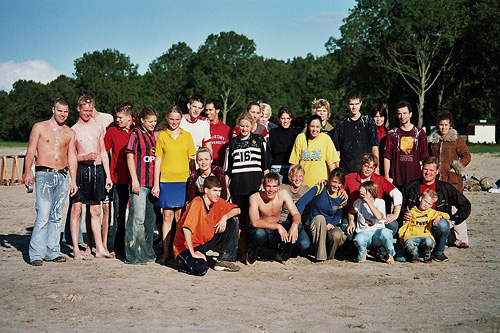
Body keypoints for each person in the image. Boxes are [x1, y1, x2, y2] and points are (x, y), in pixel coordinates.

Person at [24, 98, 78, 266]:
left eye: (66, 112)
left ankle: (52, 250)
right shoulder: (39, 127)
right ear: (53, 110)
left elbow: (72, 158)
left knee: (57, 215)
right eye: (60, 111)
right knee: (43, 214)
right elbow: (31, 150)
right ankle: (36, 254)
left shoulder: (69, 133)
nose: (63, 114)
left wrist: (73, 181)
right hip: (44, 174)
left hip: (62, 175)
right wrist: (27, 173)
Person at [400, 156, 471, 261]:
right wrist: (404, 213)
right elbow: (399, 204)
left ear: (437, 171)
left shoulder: (445, 188)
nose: (428, 172)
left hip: (435, 228)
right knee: (400, 257)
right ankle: (418, 250)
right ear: (421, 169)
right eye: (425, 169)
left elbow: (465, 205)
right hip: (415, 229)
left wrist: (453, 221)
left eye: (431, 170)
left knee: (443, 224)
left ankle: (438, 252)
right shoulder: (411, 186)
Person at [70, 95, 113, 260]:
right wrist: (84, 157)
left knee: (96, 210)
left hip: (98, 170)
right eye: (84, 110)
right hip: (81, 170)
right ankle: (75, 249)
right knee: (77, 210)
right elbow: (71, 156)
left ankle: (100, 248)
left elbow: (103, 152)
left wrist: (108, 175)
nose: (87, 114)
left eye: (90, 111)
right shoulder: (73, 130)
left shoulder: (98, 127)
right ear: (78, 109)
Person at [153, 105, 196, 265]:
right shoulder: (162, 136)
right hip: (166, 181)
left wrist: (194, 180)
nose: (174, 122)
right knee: (167, 216)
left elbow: (192, 160)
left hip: (183, 181)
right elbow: (158, 160)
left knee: (179, 217)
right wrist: (156, 183)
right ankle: (165, 253)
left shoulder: (187, 136)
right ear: (167, 118)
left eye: (177, 119)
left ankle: (178, 252)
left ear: (181, 120)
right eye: (171, 119)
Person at [173, 176, 241, 275]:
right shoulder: (197, 202)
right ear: (206, 190)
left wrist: (225, 217)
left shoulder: (217, 202)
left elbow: (237, 210)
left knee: (233, 220)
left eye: (219, 191)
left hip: (203, 243)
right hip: (186, 247)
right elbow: (186, 229)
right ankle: (184, 261)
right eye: (215, 191)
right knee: (201, 269)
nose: (218, 194)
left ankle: (225, 261)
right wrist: (193, 253)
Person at [224, 112, 269, 259]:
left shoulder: (259, 139)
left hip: (254, 186)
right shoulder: (232, 143)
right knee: (241, 222)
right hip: (238, 187)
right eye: (241, 126)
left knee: (254, 221)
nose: (244, 129)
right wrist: (227, 189)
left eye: (247, 126)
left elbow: (265, 165)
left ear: (252, 126)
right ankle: (243, 254)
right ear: (238, 125)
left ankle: (253, 252)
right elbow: (227, 170)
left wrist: (265, 183)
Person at [429, 111, 471, 248]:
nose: (443, 128)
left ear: (450, 125)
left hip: (453, 180)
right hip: (438, 181)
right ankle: (444, 238)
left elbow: (466, 156)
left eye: (446, 125)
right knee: (440, 209)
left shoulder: (457, 139)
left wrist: (456, 167)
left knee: (455, 209)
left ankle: (462, 238)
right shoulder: (433, 141)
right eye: (441, 125)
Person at [124, 106, 158, 264]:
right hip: (140, 182)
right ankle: (134, 254)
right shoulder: (135, 134)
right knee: (137, 219)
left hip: (151, 184)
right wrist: (134, 180)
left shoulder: (152, 136)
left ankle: (146, 251)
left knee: (149, 220)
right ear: (142, 120)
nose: (153, 124)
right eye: (150, 121)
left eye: (155, 121)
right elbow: (130, 157)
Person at [247, 172, 302, 266]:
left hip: (275, 232)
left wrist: (294, 225)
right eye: (268, 186)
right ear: (263, 186)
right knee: (258, 233)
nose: (271, 190)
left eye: (274, 186)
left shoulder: (283, 194)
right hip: (261, 230)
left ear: (278, 187)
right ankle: (251, 256)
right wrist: (277, 226)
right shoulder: (255, 197)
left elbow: (296, 213)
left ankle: (282, 254)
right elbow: (255, 222)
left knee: (298, 226)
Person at [343, 154, 402, 236]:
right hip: (354, 215)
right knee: (348, 230)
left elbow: (397, 193)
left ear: (374, 169)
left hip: (374, 217)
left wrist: (395, 214)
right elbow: (337, 186)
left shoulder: (379, 180)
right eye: (366, 166)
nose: (368, 169)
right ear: (361, 164)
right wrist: (342, 191)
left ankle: (379, 248)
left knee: (393, 225)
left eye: (371, 167)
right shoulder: (350, 177)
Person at [295, 168, 348, 262]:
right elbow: (302, 202)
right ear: (329, 180)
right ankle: (320, 257)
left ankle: (329, 257)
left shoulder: (342, 197)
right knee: (320, 219)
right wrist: (297, 220)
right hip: (313, 224)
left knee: (337, 234)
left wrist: (332, 224)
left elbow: (338, 215)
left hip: (328, 227)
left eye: (339, 183)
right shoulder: (320, 188)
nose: (336, 185)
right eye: (334, 182)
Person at [104, 102, 134, 258]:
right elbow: (103, 152)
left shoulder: (137, 131)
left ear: (129, 118)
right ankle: (118, 247)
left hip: (136, 181)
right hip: (118, 180)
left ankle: (135, 245)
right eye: (117, 117)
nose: (118, 120)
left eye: (121, 117)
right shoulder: (112, 131)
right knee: (119, 215)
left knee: (136, 215)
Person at [347, 181, 395, 264]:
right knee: (359, 239)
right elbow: (350, 212)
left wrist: (368, 202)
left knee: (386, 233)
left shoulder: (380, 202)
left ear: (371, 193)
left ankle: (390, 255)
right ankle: (363, 253)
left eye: (363, 193)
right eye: (360, 192)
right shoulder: (358, 202)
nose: (361, 195)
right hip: (364, 232)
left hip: (377, 233)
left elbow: (379, 217)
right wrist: (351, 222)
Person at [384, 100, 429, 188]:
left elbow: (424, 156)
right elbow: (387, 156)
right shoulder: (392, 134)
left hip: (415, 179)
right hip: (397, 179)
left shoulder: (420, 133)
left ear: (410, 114)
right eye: (399, 114)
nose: (402, 116)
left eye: (405, 113)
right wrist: (386, 176)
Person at [332, 91, 379, 174]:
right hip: (346, 170)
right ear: (347, 104)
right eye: (351, 104)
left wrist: (376, 168)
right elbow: (337, 150)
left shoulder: (369, 122)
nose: (354, 107)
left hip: (366, 170)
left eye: (356, 104)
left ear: (361, 103)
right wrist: (338, 170)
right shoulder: (341, 124)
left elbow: (374, 147)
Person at [398, 189, 450, 263]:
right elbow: (405, 226)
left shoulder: (431, 212)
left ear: (432, 205)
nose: (426, 205)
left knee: (429, 242)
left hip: (425, 235)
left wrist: (439, 216)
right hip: (412, 236)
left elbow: (447, 215)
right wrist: (401, 236)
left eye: (429, 204)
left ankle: (427, 256)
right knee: (405, 251)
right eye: (425, 201)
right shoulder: (412, 212)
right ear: (420, 198)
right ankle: (415, 256)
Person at [289, 115, 339, 187]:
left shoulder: (326, 139)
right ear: (308, 126)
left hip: (321, 184)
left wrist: (333, 183)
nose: (314, 129)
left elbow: (332, 164)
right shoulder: (301, 138)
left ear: (321, 126)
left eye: (317, 127)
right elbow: (294, 164)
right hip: (303, 185)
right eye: (312, 126)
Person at [279, 164, 311, 253]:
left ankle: (291, 248)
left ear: (303, 177)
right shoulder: (282, 189)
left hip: (298, 224)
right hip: (283, 222)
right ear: (290, 177)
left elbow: (322, 192)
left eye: (300, 176)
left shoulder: (307, 190)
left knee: (304, 244)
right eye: (294, 176)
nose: (297, 179)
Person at [268, 107, 301, 184]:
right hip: (277, 168)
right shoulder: (273, 132)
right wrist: (291, 147)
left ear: (291, 119)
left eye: (287, 118)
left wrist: (283, 147)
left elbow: (298, 150)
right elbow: (276, 149)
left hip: (292, 168)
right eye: (283, 118)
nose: (285, 121)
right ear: (279, 119)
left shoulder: (296, 133)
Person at [205, 98, 230, 167]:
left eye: (210, 110)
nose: (207, 112)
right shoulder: (204, 127)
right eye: (206, 110)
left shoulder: (227, 129)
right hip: (208, 168)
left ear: (217, 110)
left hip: (223, 168)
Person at [369, 104, 389, 175]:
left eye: (381, 116)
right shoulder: (368, 132)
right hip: (371, 167)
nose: (378, 119)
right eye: (376, 116)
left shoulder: (388, 133)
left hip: (385, 167)